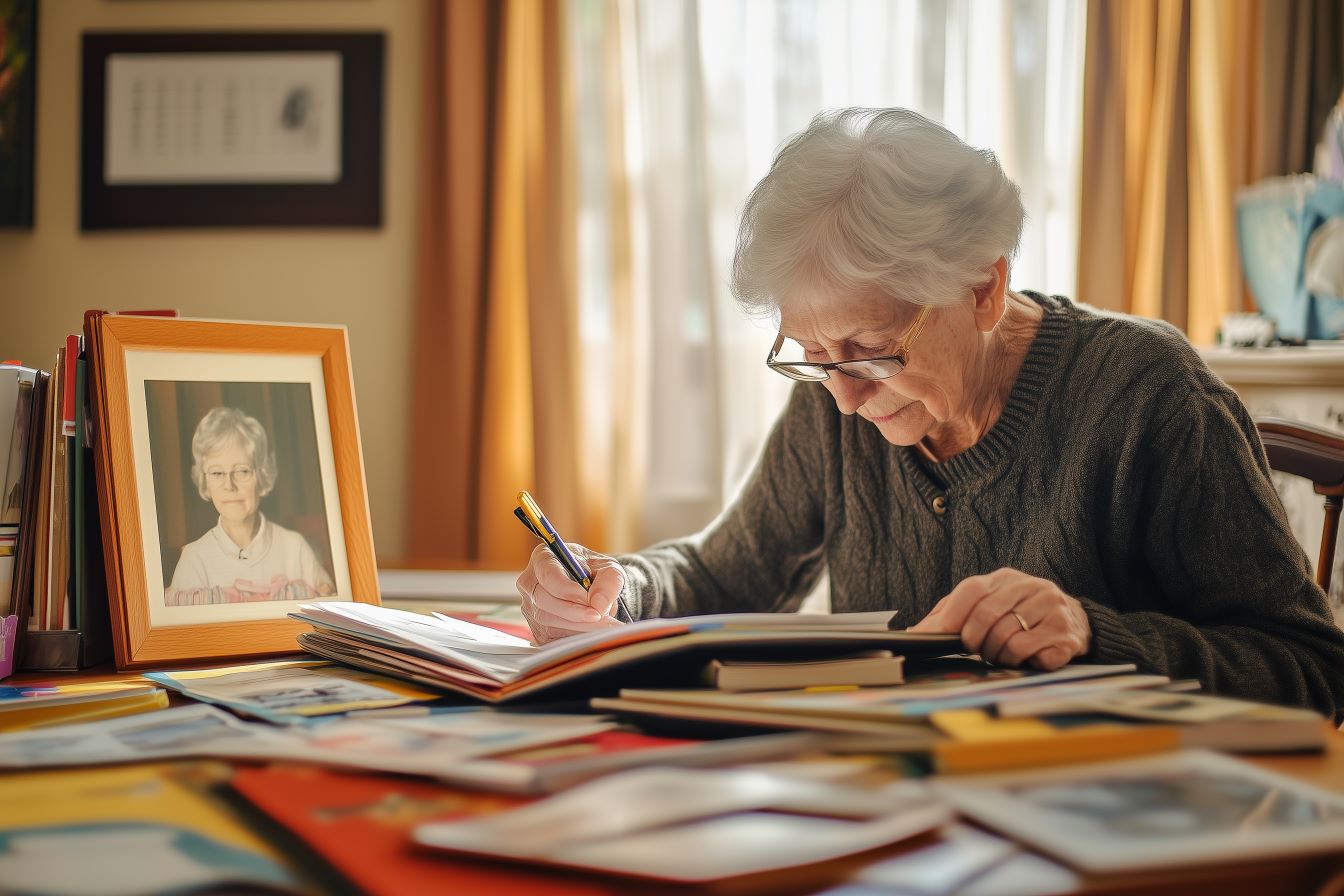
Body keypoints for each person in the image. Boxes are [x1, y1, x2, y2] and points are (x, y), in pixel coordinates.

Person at [517, 108, 1344, 719]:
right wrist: (617, 591)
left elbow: (1310, 671)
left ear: (983, 287)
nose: (841, 396)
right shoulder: (838, 402)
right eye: (811, 353)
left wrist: (1095, 637)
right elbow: (722, 576)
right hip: (895, 821)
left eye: (869, 349)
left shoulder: (1148, 399)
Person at [165, 405, 335, 605]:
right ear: (205, 482)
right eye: (217, 473)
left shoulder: (294, 547)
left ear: (262, 476)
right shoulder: (194, 559)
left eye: (242, 471)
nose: (229, 485)